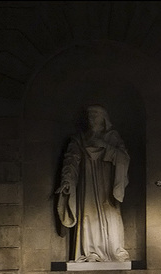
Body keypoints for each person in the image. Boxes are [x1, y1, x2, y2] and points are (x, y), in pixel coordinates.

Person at [56, 105, 130, 263]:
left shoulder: (112, 137)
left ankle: (114, 250)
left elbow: (123, 158)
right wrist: (67, 180)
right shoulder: (79, 139)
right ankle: (90, 252)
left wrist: (105, 146)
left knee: (110, 215)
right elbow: (71, 161)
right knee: (88, 215)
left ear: (104, 119)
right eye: (89, 115)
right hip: (87, 184)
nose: (91, 118)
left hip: (107, 184)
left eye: (95, 115)